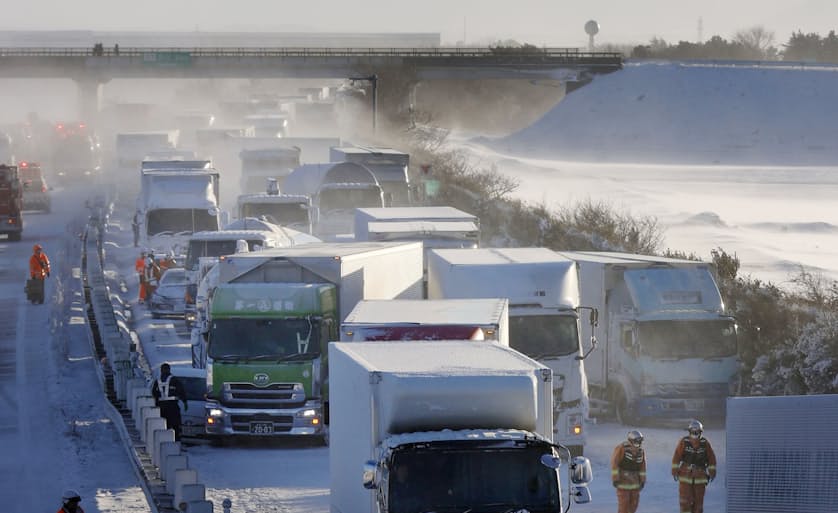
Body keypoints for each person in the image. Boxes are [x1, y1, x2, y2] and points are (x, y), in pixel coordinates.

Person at [672, 419, 717, 513]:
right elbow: (677, 456)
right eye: (693, 432)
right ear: (689, 432)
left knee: (698, 504)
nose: (695, 435)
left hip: (700, 478)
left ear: (701, 432)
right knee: (685, 503)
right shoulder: (684, 442)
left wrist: (712, 472)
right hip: (685, 477)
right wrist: (674, 470)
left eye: (697, 432)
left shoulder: (705, 444)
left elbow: (711, 458)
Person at [611, 430, 646, 513]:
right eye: (637, 441)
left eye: (640, 441)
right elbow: (614, 463)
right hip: (623, 483)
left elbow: (642, 467)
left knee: (634, 505)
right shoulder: (621, 448)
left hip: (635, 484)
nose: (639, 443)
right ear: (631, 440)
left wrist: (642, 480)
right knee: (624, 507)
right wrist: (615, 479)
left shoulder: (641, 451)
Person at [151, 362, 188, 441]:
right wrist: (184, 401)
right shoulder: (174, 379)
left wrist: (156, 402)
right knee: (175, 425)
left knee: (164, 425)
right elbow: (181, 391)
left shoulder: (157, 381)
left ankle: (165, 440)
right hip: (172, 406)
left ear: (161, 370)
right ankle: (176, 441)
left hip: (161, 407)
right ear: (169, 370)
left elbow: (154, 393)